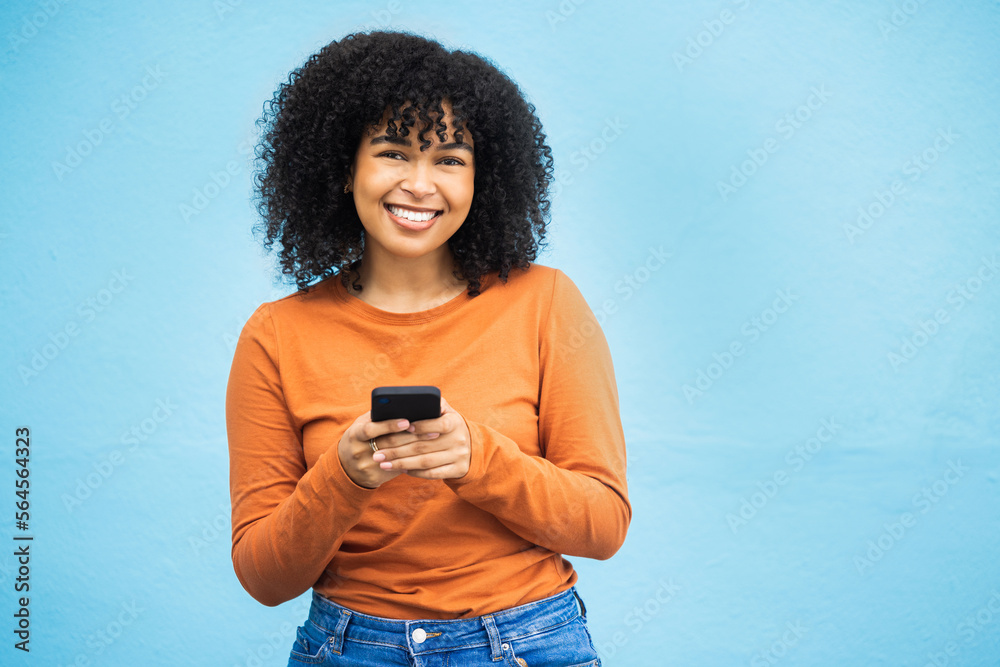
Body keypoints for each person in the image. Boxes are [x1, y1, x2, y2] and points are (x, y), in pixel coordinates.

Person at [226, 30, 630, 666]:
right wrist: (344, 475)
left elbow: (603, 527)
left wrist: (477, 459)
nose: (420, 184)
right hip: (351, 647)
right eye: (392, 152)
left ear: (482, 178)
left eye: (449, 159)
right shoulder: (276, 335)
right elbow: (263, 576)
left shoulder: (546, 302)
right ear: (343, 166)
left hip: (527, 643)